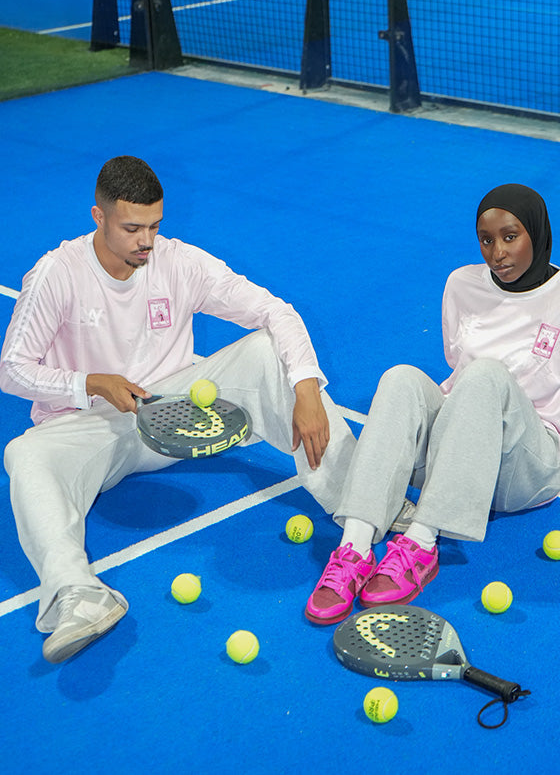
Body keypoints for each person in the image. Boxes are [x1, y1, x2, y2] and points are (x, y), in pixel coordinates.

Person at [0, 155, 356, 662]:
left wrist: (305, 388)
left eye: (154, 226)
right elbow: (11, 369)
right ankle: (78, 596)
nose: (146, 241)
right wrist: (90, 384)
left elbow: (275, 311)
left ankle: (364, 502)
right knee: (24, 454)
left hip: (180, 411)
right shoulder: (55, 275)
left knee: (264, 351)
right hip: (91, 427)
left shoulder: (177, 261)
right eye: (132, 228)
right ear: (97, 218)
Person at [305, 182, 560, 625]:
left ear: (536, 234)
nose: (497, 253)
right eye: (486, 240)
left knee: (486, 374)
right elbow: (453, 362)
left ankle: (422, 544)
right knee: (401, 377)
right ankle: (354, 544)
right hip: (457, 461)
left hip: (525, 468)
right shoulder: (461, 284)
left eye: (510, 236)